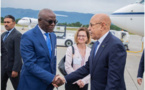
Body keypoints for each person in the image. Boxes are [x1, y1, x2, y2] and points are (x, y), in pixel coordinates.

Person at [54, 14, 127, 90]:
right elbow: (87, 68)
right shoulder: (96, 45)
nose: (89, 29)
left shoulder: (115, 45)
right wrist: (65, 79)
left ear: (102, 26)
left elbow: (114, 81)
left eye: (91, 25)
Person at [17, 8, 58, 90]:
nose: (53, 24)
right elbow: (30, 64)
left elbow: (53, 59)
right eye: (50, 21)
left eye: (55, 22)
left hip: (49, 84)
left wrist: (54, 78)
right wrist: (51, 78)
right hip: (32, 84)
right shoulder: (28, 36)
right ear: (40, 21)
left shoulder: (53, 36)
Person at [1, 15, 22, 90]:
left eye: (8, 22)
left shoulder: (17, 35)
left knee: (18, 87)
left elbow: (18, 53)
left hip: (12, 68)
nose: (6, 24)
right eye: (4, 22)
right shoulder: (3, 35)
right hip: (3, 67)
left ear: (14, 23)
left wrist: (16, 69)